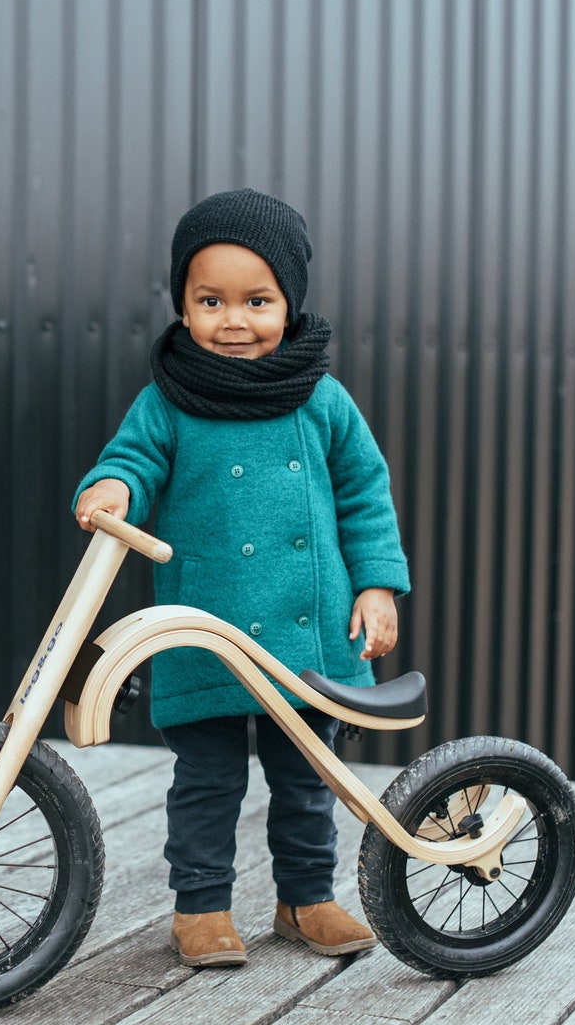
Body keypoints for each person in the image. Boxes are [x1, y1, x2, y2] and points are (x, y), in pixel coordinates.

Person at [73, 188, 410, 967]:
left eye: (257, 300)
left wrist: (377, 586)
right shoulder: (169, 400)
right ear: (183, 307)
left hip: (308, 631)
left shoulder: (319, 397)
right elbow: (132, 458)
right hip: (207, 626)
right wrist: (112, 486)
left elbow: (365, 492)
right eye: (210, 300)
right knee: (207, 781)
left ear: (288, 304)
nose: (233, 320)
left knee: (306, 778)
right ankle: (201, 908)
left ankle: (307, 898)